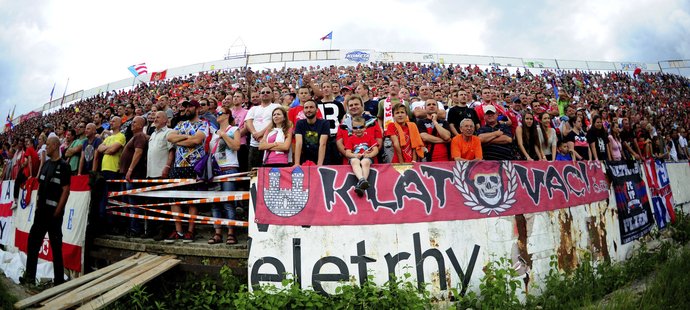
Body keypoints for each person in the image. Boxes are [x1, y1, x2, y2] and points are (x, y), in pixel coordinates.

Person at [21, 136, 71, 286]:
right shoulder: (46, 165)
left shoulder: (64, 166)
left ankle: (59, 282)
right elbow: (41, 187)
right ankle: (29, 278)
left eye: (48, 145)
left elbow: (66, 190)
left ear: (56, 146)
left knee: (56, 248)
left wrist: (58, 211)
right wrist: (37, 205)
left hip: (54, 215)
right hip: (41, 213)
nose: (45, 147)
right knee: (33, 243)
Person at [166, 100, 208, 242]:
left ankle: (190, 231)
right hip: (178, 166)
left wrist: (179, 141)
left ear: (197, 108)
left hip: (195, 165)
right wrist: (187, 138)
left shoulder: (204, 124)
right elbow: (169, 137)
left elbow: (196, 141)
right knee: (175, 200)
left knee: (192, 200)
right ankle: (179, 231)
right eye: (186, 107)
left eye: (190, 106)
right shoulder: (180, 124)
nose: (187, 109)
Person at [208, 106, 241, 245]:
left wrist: (224, 135)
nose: (217, 114)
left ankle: (231, 233)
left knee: (228, 203)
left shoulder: (234, 130)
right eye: (216, 113)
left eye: (220, 112)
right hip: (216, 170)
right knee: (215, 203)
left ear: (227, 115)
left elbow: (236, 146)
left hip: (229, 168)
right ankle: (217, 233)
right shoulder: (214, 133)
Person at [119, 116, 148, 237]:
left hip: (133, 175)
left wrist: (130, 169)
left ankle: (135, 229)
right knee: (128, 203)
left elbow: (138, 152)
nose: (132, 124)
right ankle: (132, 227)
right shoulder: (135, 136)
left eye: (135, 122)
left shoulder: (139, 136)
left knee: (132, 204)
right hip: (128, 175)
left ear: (141, 125)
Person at [245, 87, 281, 170]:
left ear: (272, 95)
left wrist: (261, 134)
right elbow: (248, 121)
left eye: (268, 92)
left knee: (268, 173)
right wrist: (254, 133)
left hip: (270, 145)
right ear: (260, 95)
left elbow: (275, 121)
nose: (265, 93)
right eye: (263, 92)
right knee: (253, 172)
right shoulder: (254, 108)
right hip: (254, 145)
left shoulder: (276, 106)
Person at [345, 116, 379, 197]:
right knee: (354, 161)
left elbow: (376, 150)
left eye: (361, 127)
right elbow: (347, 153)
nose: (358, 129)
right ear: (352, 129)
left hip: (366, 157)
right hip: (356, 157)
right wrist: (355, 155)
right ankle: (362, 180)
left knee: (365, 161)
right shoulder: (351, 139)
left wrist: (369, 154)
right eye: (355, 128)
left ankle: (361, 183)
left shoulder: (369, 137)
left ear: (365, 127)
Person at [294, 100, 329, 166]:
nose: (308, 110)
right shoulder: (300, 123)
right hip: (305, 160)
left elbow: (323, 144)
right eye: (306, 108)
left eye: (311, 107)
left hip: (322, 159)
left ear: (317, 110)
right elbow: (298, 143)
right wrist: (297, 163)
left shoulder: (324, 123)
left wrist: (319, 164)